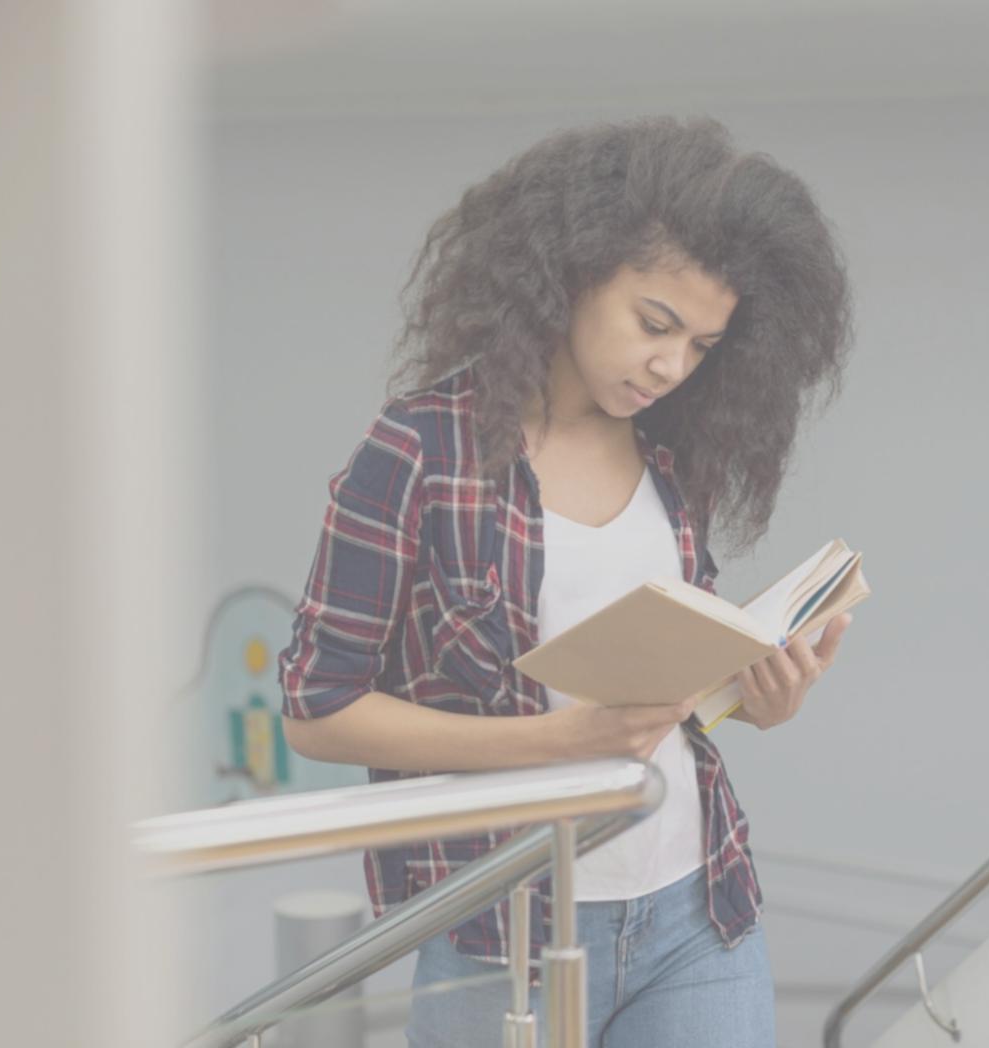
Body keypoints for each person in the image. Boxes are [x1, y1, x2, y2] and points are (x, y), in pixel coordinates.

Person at [278, 114, 855, 1047]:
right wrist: (551, 743)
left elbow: (653, 703)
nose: (671, 365)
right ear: (573, 272)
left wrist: (756, 702)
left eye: (702, 345)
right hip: (503, 931)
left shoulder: (671, 457)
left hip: (696, 907)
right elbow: (317, 710)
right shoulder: (419, 453)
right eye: (655, 324)